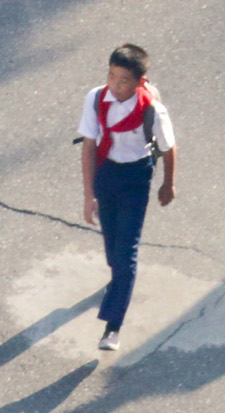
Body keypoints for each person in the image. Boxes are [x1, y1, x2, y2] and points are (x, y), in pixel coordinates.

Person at [77, 43, 179, 351]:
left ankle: (112, 326)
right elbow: (89, 147)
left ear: (140, 82)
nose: (116, 85)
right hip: (107, 173)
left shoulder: (152, 110)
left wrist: (168, 184)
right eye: (111, 76)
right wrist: (88, 194)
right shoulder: (96, 98)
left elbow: (169, 147)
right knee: (112, 245)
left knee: (126, 253)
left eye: (124, 80)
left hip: (135, 178)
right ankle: (118, 281)